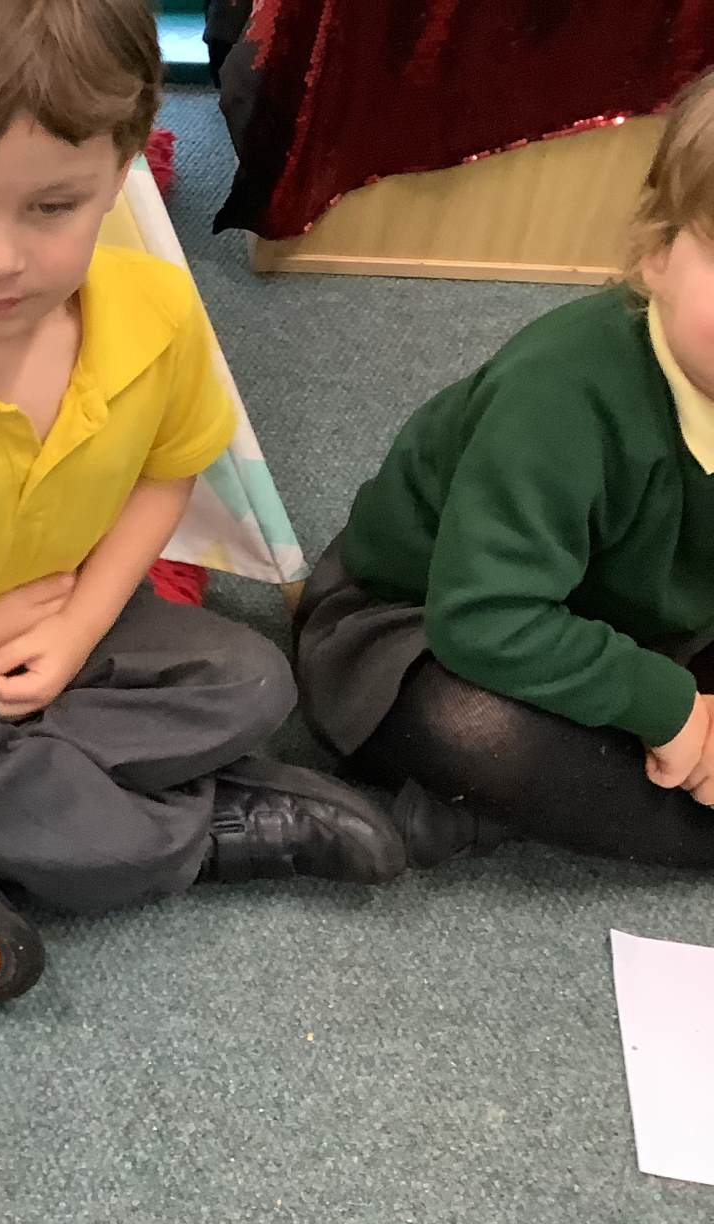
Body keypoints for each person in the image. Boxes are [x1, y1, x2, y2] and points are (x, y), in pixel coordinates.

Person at [0, 0, 403, 999]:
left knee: (257, 683)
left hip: (69, 616)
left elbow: (167, 474)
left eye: (51, 207)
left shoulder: (160, 312)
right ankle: (194, 834)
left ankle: (6, 806)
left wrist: (79, 626)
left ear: (124, 164)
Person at [293, 69, 714, 870]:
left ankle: (521, 800)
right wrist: (676, 714)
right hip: (430, 623)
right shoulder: (562, 392)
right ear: (656, 251)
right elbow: (485, 619)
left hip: (634, 620)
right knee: (474, 730)